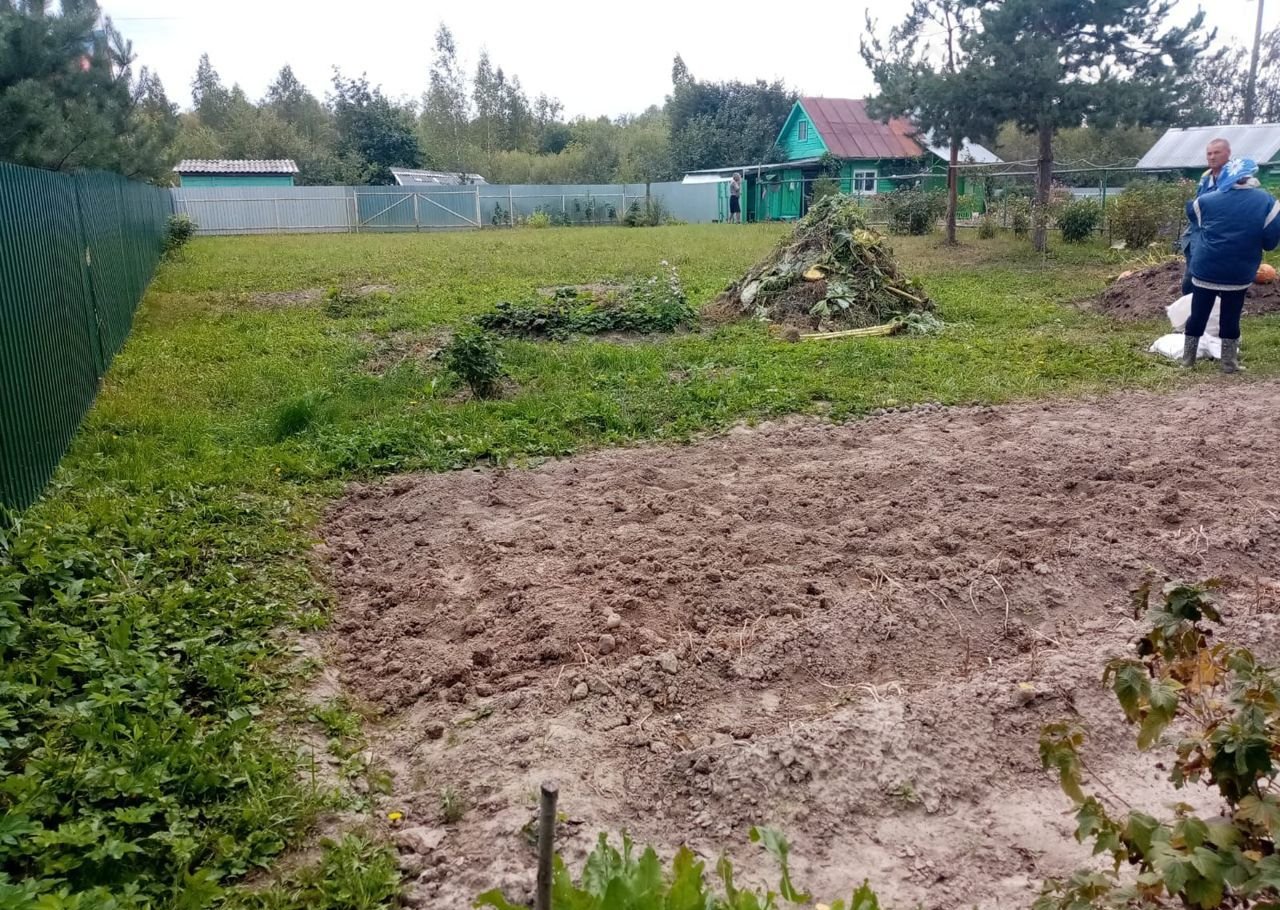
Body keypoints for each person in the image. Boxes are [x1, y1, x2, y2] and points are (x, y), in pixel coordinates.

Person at [1182, 157, 1280, 373]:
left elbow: (1196, 219)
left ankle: (1187, 361)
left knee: (1198, 313)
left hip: (1206, 267)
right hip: (1239, 270)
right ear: (1250, 176)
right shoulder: (1267, 202)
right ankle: (1229, 363)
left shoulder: (1206, 200)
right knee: (1231, 316)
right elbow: (1270, 241)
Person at [1180, 138, 1232, 294]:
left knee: (1211, 282)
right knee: (1190, 281)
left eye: (1217, 153)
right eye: (1209, 153)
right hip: (1196, 236)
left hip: (1218, 239)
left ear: (1228, 153)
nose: (1212, 157)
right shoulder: (1206, 177)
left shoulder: (1234, 178)